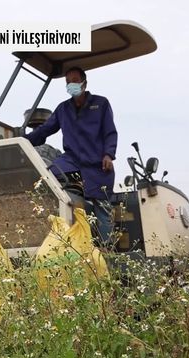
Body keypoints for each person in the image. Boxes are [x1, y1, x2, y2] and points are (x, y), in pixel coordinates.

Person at [24, 66, 117, 244]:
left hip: (97, 162)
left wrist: (108, 154)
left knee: (102, 208)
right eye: (68, 82)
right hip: (72, 161)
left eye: (75, 80)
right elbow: (45, 130)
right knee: (52, 173)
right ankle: (67, 235)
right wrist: (23, 140)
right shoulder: (63, 109)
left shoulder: (101, 104)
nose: (71, 84)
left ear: (84, 82)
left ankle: (107, 250)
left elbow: (110, 132)